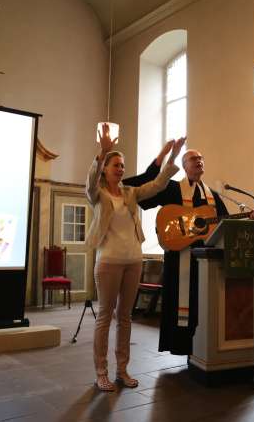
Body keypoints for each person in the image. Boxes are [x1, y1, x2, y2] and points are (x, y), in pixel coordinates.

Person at [86, 123, 183, 391]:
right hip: (108, 261)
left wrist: (171, 160)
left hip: (133, 260)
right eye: (116, 165)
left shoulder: (130, 193)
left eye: (122, 165)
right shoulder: (98, 194)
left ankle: (122, 370)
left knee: (126, 317)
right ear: (106, 169)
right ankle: (101, 372)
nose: (121, 169)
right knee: (105, 316)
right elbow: (89, 183)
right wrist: (101, 153)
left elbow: (157, 184)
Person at [125, 148, 229, 355]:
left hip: (205, 261)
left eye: (201, 158)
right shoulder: (172, 189)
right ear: (184, 165)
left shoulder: (212, 196)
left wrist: (248, 216)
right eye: (193, 158)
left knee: (202, 303)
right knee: (180, 302)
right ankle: (181, 345)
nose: (199, 161)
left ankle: (202, 348)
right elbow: (144, 196)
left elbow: (224, 222)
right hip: (179, 256)